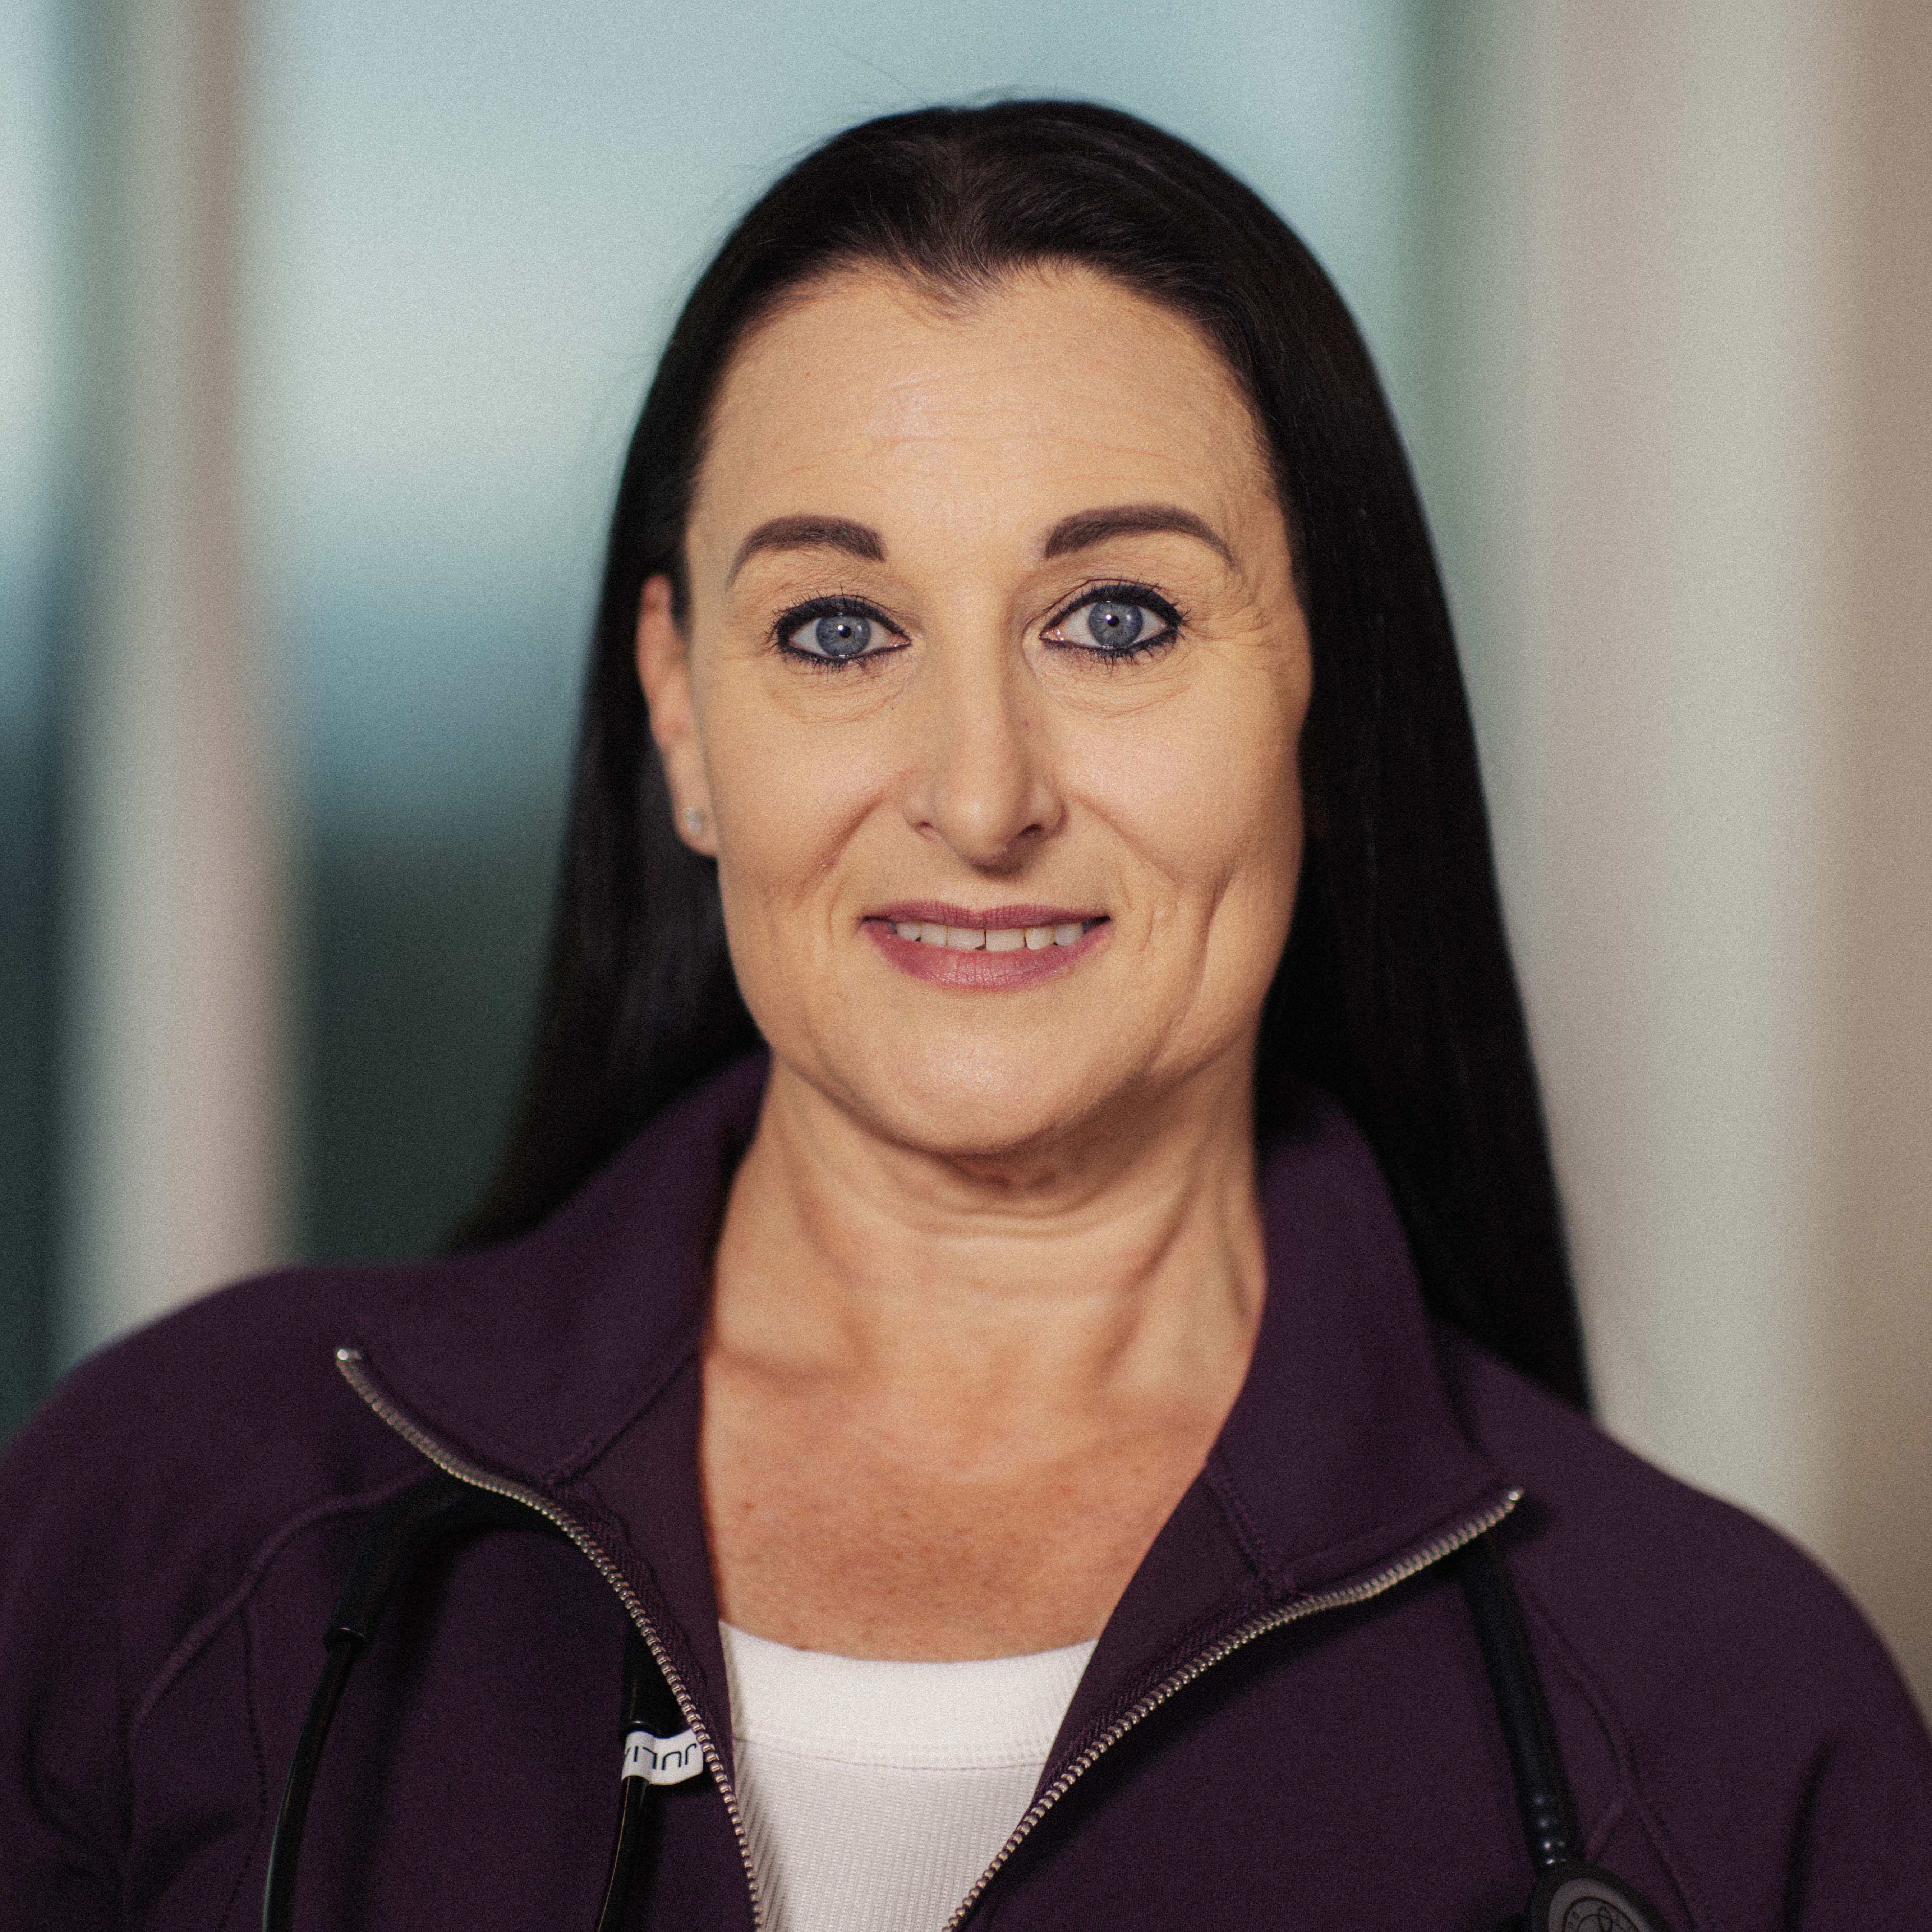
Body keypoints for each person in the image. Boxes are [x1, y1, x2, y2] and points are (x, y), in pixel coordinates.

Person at [1, 100, 1927, 1932]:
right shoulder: (181, 1519)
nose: (982, 794)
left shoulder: (1728, 1718)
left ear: (1326, 708)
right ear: (682, 715)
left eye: (1117, 619)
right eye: (840, 630)